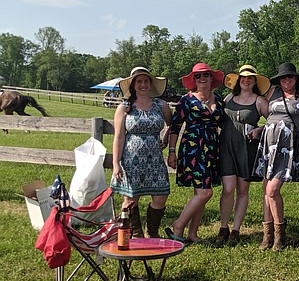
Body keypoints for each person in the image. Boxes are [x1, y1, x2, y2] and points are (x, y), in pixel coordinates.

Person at [254, 62, 299, 251]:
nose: (287, 80)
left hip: (288, 147)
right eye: (283, 77)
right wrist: (261, 129)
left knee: (272, 190)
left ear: (296, 78)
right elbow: (266, 114)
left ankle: (280, 234)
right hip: (269, 144)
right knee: (267, 189)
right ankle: (268, 235)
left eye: (290, 77)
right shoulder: (272, 92)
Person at [165, 63, 225, 244]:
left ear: (211, 78)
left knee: (200, 193)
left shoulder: (220, 99)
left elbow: (224, 123)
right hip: (193, 148)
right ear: (194, 80)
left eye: (206, 75)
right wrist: (172, 151)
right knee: (205, 193)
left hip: (212, 148)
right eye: (198, 76)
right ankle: (178, 225)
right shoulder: (186, 100)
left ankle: (193, 234)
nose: (202, 79)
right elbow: (175, 128)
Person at [110, 67, 172, 238]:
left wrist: (165, 139)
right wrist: (116, 163)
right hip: (131, 159)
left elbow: (172, 124)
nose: (143, 85)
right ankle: (135, 233)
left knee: (161, 195)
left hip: (155, 159)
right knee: (130, 198)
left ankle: (152, 232)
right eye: (139, 81)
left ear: (150, 84)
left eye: (146, 81)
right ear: (133, 85)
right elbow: (119, 137)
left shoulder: (161, 105)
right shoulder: (125, 107)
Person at [215, 65, 270, 247]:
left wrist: (259, 129)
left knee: (243, 190)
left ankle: (236, 230)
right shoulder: (228, 98)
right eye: (243, 78)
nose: (246, 80)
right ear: (238, 80)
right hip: (227, 147)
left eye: (250, 78)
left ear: (255, 81)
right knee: (228, 189)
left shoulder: (259, 101)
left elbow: (273, 121)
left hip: (246, 148)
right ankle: (223, 227)